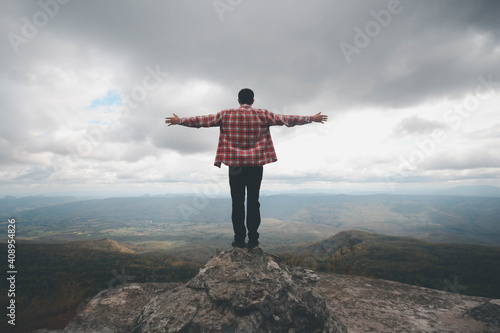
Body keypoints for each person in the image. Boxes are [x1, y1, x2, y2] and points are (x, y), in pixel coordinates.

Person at [165, 88, 327, 249]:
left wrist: (179, 120)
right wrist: (311, 118)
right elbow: (286, 119)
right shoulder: (263, 114)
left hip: (235, 167)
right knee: (253, 202)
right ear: (253, 101)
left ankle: (239, 240)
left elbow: (202, 121)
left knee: (237, 203)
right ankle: (254, 240)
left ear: (238, 101)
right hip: (256, 166)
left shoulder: (226, 114)